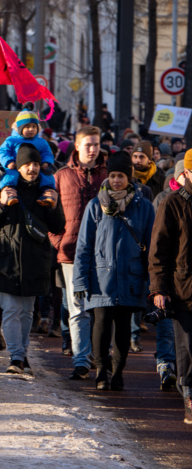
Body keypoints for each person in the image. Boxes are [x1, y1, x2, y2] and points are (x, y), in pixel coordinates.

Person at [0, 144, 65, 375]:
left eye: (36, 164)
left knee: (27, 312)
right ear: (18, 165)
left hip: (34, 261)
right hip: (3, 261)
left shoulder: (46, 190)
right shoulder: (2, 186)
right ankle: (16, 356)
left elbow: (58, 226)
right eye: (27, 164)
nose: (32, 168)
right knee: (10, 310)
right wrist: (0, 204)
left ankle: (22, 353)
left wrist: (54, 206)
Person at [73, 150, 155, 391]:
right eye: (113, 175)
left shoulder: (144, 207)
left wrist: (152, 283)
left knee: (123, 327)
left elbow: (151, 248)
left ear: (129, 177)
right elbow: (84, 245)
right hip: (101, 276)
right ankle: (100, 370)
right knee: (100, 324)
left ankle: (118, 371)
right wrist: (80, 281)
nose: (116, 180)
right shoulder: (95, 205)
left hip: (131, 275)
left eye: (121, 175)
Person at [53, 126, 106, 380]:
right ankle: (81, 360)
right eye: (88, 144)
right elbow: (49, 214)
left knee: (100, 309)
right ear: (77, 146)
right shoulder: (62, 175)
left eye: (96, 144)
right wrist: (57, 241)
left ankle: (97, 356)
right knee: (77, 309)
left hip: (103, 254)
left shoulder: (109, 175)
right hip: (71, 252)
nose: (93, 149)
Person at [148, 149, 192, 422]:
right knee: (188, 346)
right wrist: (159, 289)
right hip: (184, 288)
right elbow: (158, 251)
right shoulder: (172, 203)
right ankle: (189, 395)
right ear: (186, 173)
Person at [0, 108, 57, 204]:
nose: (31, 129)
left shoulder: (41, 142)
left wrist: (46, 162)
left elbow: (47, 152)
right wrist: (8, 162)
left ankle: (46, 194)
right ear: (20, 128)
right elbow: (2, 151)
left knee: (47, 175)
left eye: (34, 126)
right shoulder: (12, 140)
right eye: (27, 127)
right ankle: (10, 193)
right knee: (10, 175)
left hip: (36, 167)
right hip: (15, 166)